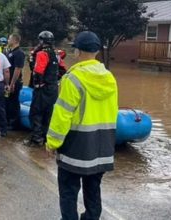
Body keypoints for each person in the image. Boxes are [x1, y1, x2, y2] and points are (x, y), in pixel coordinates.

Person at [46, 31, 118, 220]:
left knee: (69, 191)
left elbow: (62, 114)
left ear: (77, 51)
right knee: (93, 189)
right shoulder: (109, 77)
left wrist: (52, 142)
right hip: (102, 147)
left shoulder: (73, 78)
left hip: (75, 148)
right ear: (96, 51)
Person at [28, 31, 59, 145]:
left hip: (43, 88)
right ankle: (46, 137)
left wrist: (37, 84)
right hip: (53, 88)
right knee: (49, 113)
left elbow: (38, 72)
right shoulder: (56, 54)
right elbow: (62, 70)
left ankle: (37, 139)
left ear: (41, 41)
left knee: (36, 113)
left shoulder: (42, 54)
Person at [5, 34, 25, 130]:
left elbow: (18, 69)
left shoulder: (19, 53)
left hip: (14, 82)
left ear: (15, 41)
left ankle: (14, 123)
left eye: (9, 39)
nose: (8, 40)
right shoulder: (10, 52)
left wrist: (12, 83)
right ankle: (8, 121)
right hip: (8, 81)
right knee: (8, 101)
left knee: (14, 102)